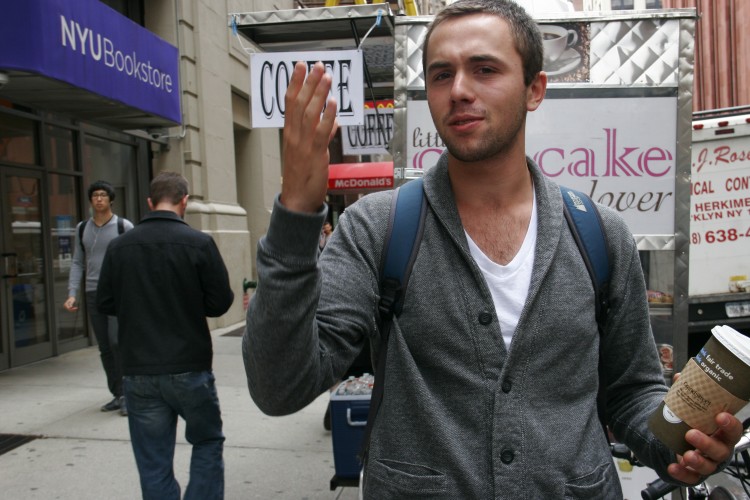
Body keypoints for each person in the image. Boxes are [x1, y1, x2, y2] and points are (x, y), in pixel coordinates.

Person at [243, 1, 744, 498]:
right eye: (442, 75)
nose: (459, 90)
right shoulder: (378, 227)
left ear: (534, 89)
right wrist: (295, 214)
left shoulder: (600, 233)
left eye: (485, 69)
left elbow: (632, 390)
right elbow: (279, 386)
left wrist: (681, 446)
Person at [97, 171, 234, 500]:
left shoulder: (119, 247)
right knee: (207, 441)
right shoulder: (199, 243)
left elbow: (104, 302)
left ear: (149, 202)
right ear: (184, 201)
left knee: (153, 461)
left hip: (139, 370)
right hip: (190, 365)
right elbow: (220, 303)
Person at [64, 180, 133, 416]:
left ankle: (128, 394)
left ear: (111, 199)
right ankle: (117, 393)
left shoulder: (124, 226)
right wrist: (72, 293)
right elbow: (77, 262)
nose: (99, 199)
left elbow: (136, 259)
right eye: (95, 195)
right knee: (104, 346)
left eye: (103, 195)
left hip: (119, 293)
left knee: (117, 342)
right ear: (91, 200)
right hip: (93, 293)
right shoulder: (82, 228)